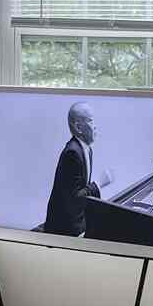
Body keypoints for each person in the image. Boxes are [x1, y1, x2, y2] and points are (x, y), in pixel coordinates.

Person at [44, 101, 101, 237]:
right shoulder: (72, 153)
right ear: (78, 127)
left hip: (76, 220)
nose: (96, 126)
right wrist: (98, 184)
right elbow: (74, 199)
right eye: (91, 121)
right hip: (63, 227)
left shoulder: (87, 150)